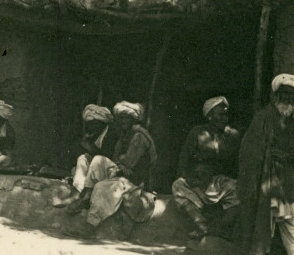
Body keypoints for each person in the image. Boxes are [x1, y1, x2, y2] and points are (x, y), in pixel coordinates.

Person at [69, 101, 157, 232]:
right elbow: (116, 158)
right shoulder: (125, 134)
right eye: (120, 118)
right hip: (123, 173)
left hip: (134, 180)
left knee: (101, 187)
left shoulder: (139, 136)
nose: (122, 121)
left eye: (126, 118)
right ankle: (86, 197)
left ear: (133, 119)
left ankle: (90, 226)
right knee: (98, 160)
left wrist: (120, 161)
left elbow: (128, 163)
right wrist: (120, 161)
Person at [237, 74, 294, 255]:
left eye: (292, 95)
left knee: (290, 216)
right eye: (284, 94)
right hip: (265, 175)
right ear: (276, 96)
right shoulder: (263, 117)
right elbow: (250, 149)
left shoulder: (292, 119)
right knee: (266, 215)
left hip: (287, 176)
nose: (288, 99)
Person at [172, 95, 240, 241]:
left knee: (240, 191)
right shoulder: (197, 132)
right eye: (220, 115)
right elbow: (184, 158)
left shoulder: (232, 135)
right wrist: (189, 178)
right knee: (177, 186)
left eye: (226, 115)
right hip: (198, 181)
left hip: (221, 182)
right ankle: (201, 224)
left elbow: (237, 163)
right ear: (209, 116)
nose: (224, 118)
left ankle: (218, 229)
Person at [71, 105, 117, 193]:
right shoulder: (95, 134)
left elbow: (107, 156)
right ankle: (77, 191)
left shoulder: (112, 134)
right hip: (97, 170)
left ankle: (86, 194)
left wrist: (89, 147)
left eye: (95, 124)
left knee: (97, 159)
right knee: (82, 158)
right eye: (90, 124)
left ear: (103, 123)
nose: (92, 126)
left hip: (110, 171)